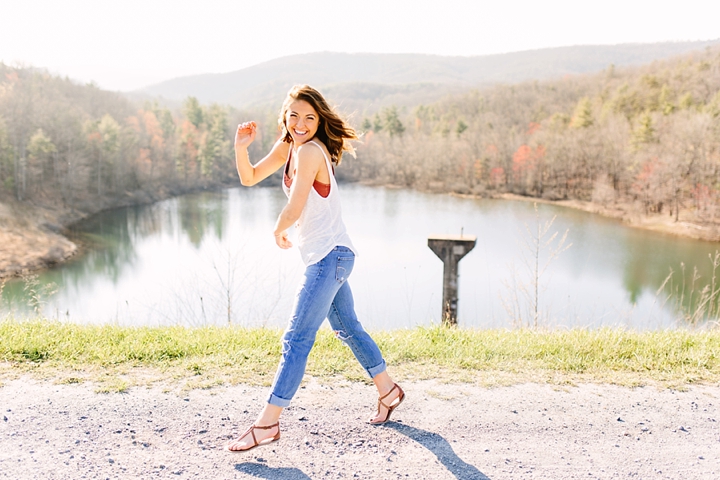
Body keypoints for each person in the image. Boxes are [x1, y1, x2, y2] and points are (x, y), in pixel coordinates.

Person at [226, 85, 404, 452]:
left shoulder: (309, 152)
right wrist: (241, 149)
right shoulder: (290, 146)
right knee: (348, 328)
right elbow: (249, 177)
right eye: (294, 116)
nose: (301, 123)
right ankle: (389, 391)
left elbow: (295, 206)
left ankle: (267, 424)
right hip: (331, 255)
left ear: (319, 120)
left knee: (296, 339)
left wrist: (278, 229)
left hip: (329, 257)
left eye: (309, 117)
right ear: (285, 117)